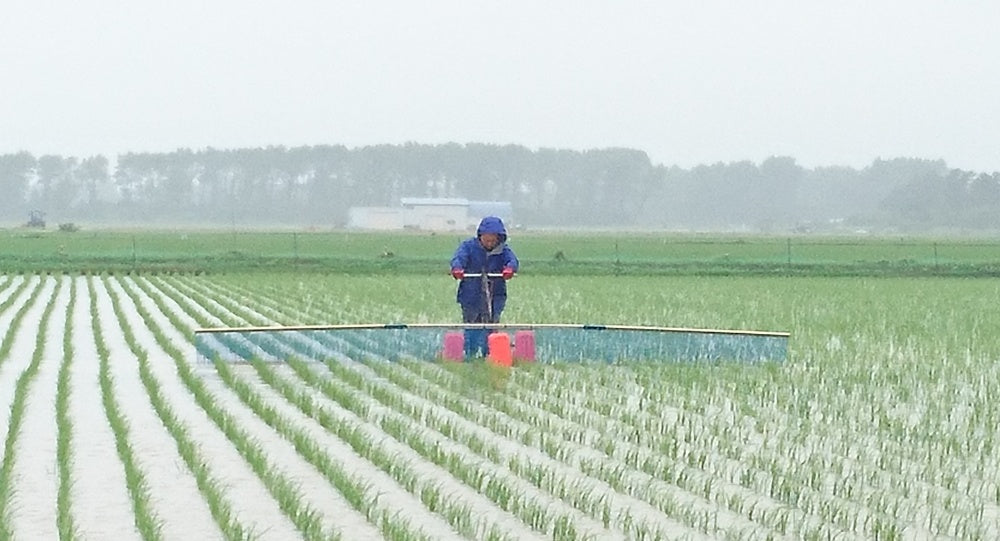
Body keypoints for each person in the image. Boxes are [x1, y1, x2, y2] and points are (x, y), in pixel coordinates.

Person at [450, 216, 519, 357]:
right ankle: (470, 353)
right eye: (486, 240)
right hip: (471, 294)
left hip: (496, 294)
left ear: (499, 239)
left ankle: (489, 354)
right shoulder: (468, 246)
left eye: (493, 240)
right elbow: (458, 258)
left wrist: (510, 269)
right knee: (472, 324)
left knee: (492, 324)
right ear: (480, 236)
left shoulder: (503, 250)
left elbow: (512, 260)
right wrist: (457, 268)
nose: (489, 243)